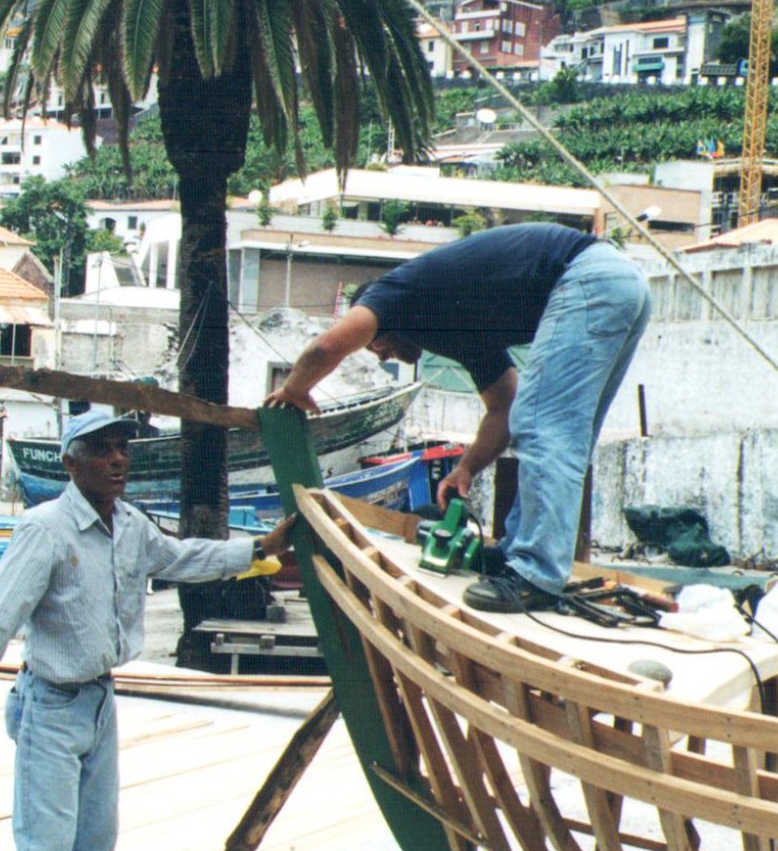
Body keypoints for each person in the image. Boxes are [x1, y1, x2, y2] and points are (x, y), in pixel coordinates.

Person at [0, 406, 295, 851]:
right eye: (101, 450)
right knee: (46, 839)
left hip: (100, 701)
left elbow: (183, 557)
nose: (116, 460)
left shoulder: (129, 526)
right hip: (50, 704)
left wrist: (255, 550)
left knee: (95, 836)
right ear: (69, 462)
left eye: (122, 449)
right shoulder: (45, 530)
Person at [266, 222, 650, 614]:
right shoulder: (461, 328)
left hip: (588, 279)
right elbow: (504, 407)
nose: (379, 355)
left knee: (544, 429)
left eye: (374, 345)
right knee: (562, 434)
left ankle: (535, 574)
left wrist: (294, 391)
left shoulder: (393, 293)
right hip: (622, 283)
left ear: (378, 321)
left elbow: (327, 347)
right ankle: (517, 555)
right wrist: (465, 468)